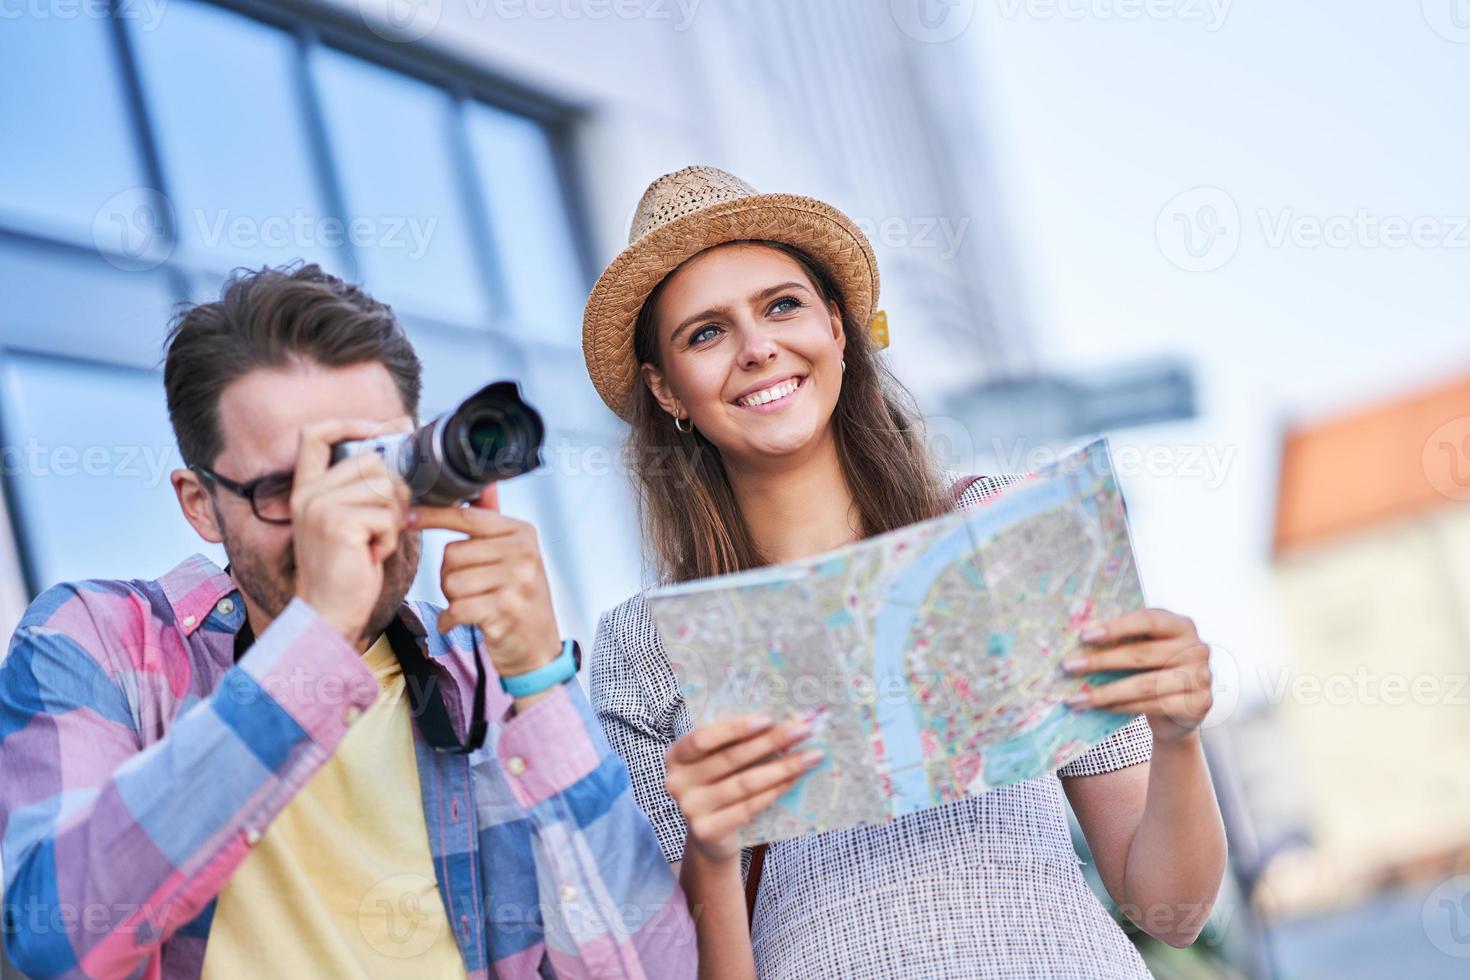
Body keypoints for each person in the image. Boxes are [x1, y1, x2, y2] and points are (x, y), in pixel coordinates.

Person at [582, 166, 1228, 978]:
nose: (756, 348)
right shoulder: (645, 645)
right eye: (704, 333)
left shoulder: (998, 533)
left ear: (839, 330)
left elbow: (1172, 908)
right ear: (665, 388)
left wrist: (1176, 736)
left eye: (782, 305)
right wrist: (711, 851)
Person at [0, 265, 695, 979]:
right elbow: (54, 939)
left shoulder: (478, 672)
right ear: (200, 503)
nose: (337, 517)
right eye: (284, 489)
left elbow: (654, 973)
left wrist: (542, 682)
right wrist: (317, 637)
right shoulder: (100, 641)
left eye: (366, 469)